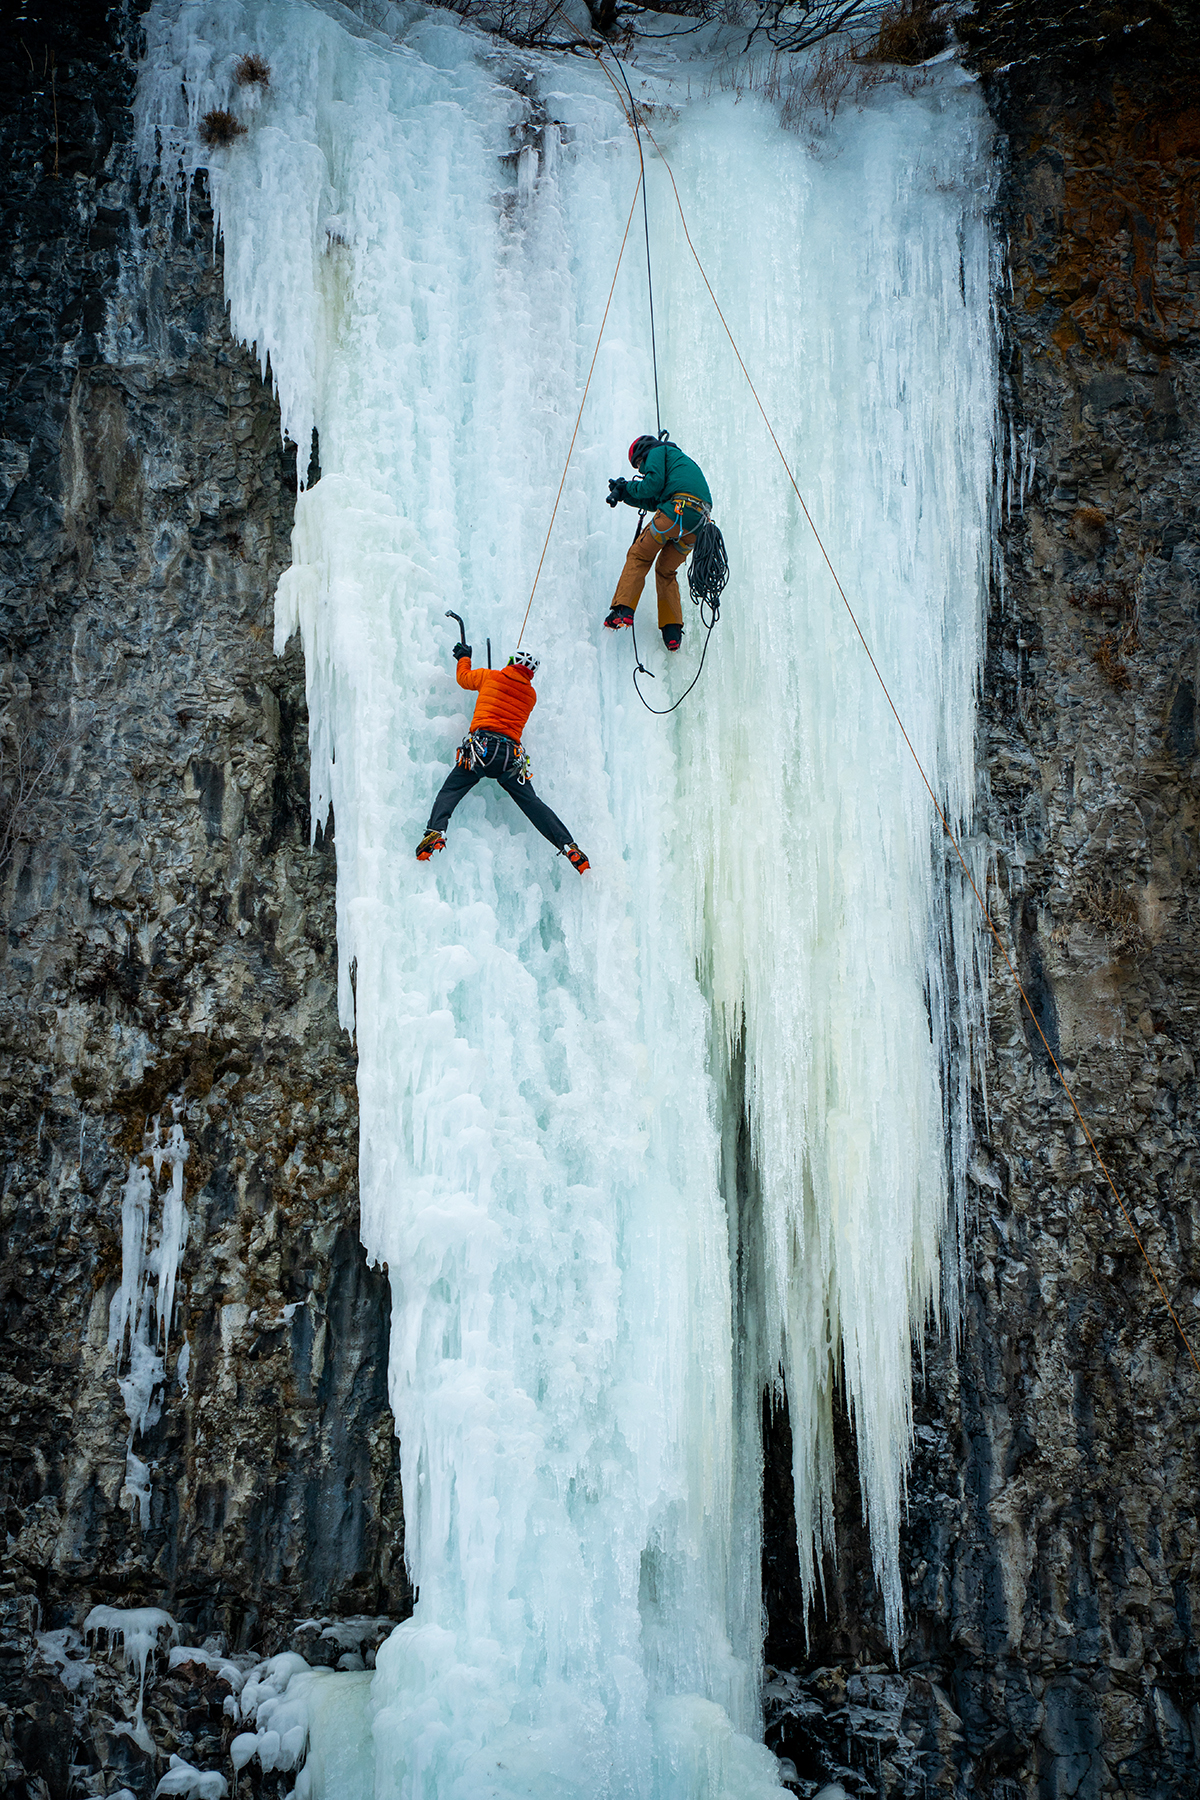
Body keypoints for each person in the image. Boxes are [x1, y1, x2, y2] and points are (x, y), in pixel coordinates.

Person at [415, 641, 590, 872]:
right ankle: (568, 845)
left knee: (451, 791)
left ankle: (435, 832)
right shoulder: (530, 695)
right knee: (532, 803)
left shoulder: (490, 677)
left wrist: (463, 657)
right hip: (510, 756)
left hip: (482, 748)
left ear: (511, 662)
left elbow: (464, 678)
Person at [604, 434, 713, 651]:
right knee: (665, 570)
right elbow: (654, 499)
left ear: (643, 452)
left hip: (676, 512)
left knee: (639, 555)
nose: (640, 470)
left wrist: (627, 486)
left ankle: (623, 609)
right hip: (697, 526)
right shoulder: (678, 463)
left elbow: (651, 485)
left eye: (639, 464)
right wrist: (626, 494)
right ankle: (672, 631)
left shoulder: (658, 451)